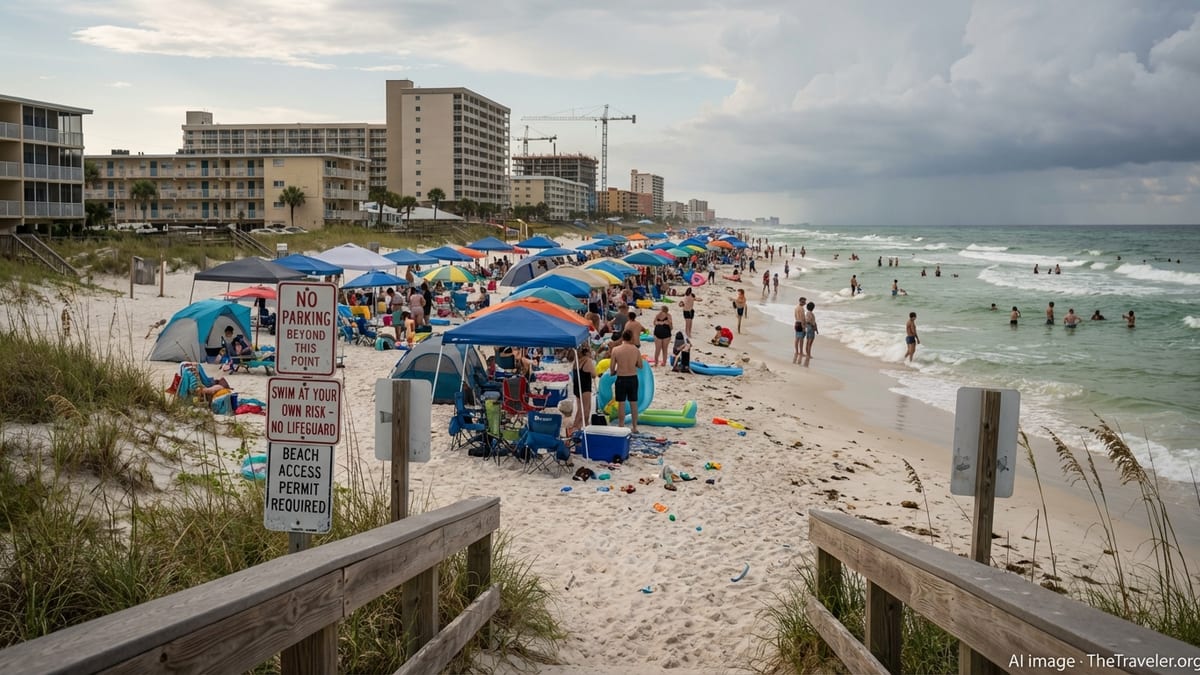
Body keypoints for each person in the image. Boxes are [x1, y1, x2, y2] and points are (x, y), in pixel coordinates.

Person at [610, 330, 642, 433]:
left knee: (621, 403)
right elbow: (640, 365)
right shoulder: (636, 350)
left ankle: (621, 425)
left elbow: (612, 368)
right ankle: (635, 427)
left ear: (622, 338)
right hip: (632, 378)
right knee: (634, 403)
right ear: (631, 338)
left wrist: (614, 372)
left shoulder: (615, 350)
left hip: (621, 378)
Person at [571, 345, 595, 430]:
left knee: (580, 408)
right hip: (585, 386)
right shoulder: (587, 361)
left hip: (577, 386)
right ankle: (576, 426)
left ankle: (584, 425)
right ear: (587, 353)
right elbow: (594, 375)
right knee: (585, 408)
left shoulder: (576, 361)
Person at [793, 297, 806, 362]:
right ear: (801, 301)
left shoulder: (796, 307)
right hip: (800, 324)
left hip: (796, 323)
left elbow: (795, 316)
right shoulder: (801, 309)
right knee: (801, 339)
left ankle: (797, 351)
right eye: (804, 302)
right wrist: (804, 327)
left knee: (797, 338)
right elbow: (802, 319)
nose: (805, 303)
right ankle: (801, 352)